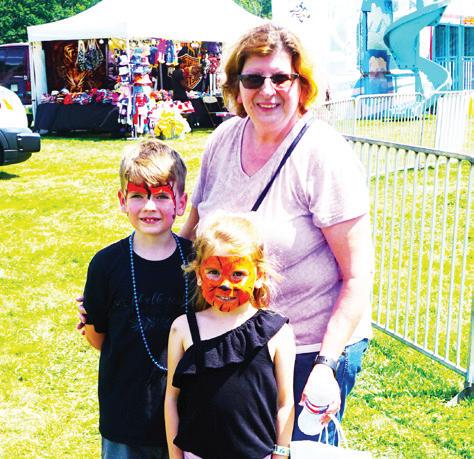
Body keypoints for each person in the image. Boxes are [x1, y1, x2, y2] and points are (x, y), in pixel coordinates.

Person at [179, 23, 373, 444]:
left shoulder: (323, 154)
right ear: (237, 86)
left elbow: (357, 277)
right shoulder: (224, 139)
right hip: (232, 341)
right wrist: (123, 290)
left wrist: (325, 364)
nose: (267, 90)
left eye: (280, 77)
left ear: (302, 85)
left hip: (307, 350)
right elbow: (190, 238)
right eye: (253, 79)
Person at [79, 139, 191, 458]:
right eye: (138, 196)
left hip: (189, 415)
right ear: (122, 200)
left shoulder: (198, 264)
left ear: (181, 202)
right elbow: (98, 337)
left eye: (162, 196)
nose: (150, 206)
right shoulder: (105, 265)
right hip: (125, 416)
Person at [165, 212, 296, 459]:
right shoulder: (183, 329)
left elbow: (285, 402)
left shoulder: (279, 333)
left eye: (237, 274)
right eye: (214, 272)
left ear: (259, 276)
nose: (226, 285)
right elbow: (172, 398)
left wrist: (281, 454)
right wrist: (175, 456)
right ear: (199, 275)